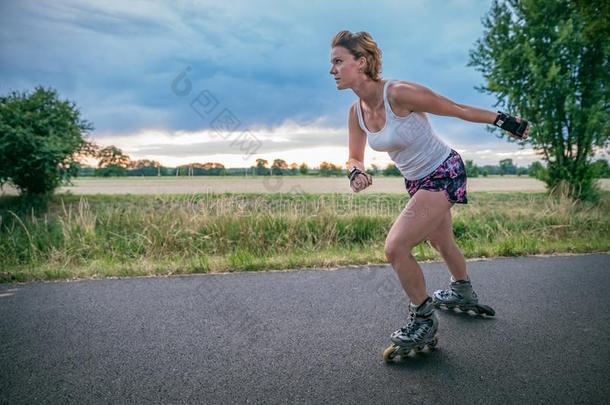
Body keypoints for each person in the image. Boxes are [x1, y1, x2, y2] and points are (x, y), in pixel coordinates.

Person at [329, 30, 530, 355]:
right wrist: (356, 171)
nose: (332, 70)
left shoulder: (399, 93)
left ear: (361, 62)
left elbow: (454, 108)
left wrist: (503, 120)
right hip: (417, 181)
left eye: (338, 61)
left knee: (395, 248)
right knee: (441, 241)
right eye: (332, 63)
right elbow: (355, 155)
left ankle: (423, 318)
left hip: (444, 171)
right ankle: (462, 290)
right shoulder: (356, 113)